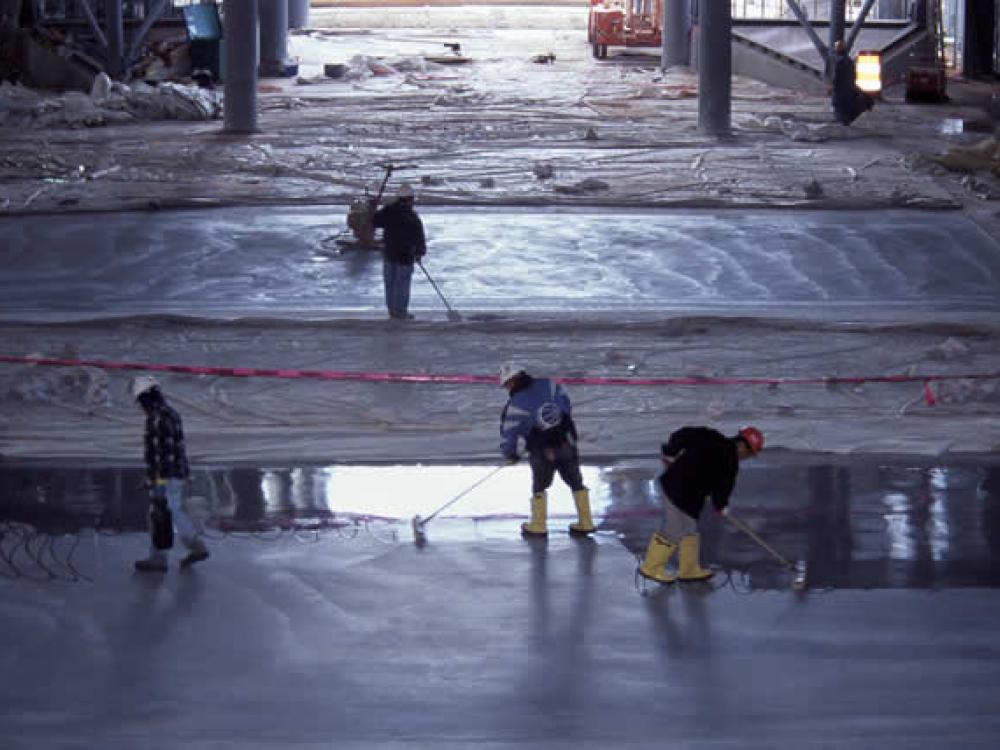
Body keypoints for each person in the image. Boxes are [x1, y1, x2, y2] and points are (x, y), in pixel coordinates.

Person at [638, 425, 764, 584]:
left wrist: (670, 451)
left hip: (687, 494)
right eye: (750, 453)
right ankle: (650, 567)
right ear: (742, 446)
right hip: (677, 491)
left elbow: (680, 434)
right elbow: (722, 488)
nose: (748, 457)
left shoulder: (710, 436)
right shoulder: (728, 460)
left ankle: (688, 570)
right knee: (674, 529)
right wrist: (721, 506)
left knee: (689, 530)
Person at [499, 363, 596, 538]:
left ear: (512, 380)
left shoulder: (516, 402)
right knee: (575, 480)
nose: (507, 388)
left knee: (540, 484)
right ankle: (586, 521)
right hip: (567, 441)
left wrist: (510, 453)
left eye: (506, 384)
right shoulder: (550, 384)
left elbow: (509, 431)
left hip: (542, 449)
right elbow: (566, 405)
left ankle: (538, 525)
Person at [131, 375, 209, 572]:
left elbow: (159, 453)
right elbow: (177, 448)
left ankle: (160, 558)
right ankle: (193, 547)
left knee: (160, 515)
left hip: (164, 475)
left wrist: (154, 479)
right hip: (176, 473)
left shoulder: (155, 418)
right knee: (172, 511)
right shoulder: (172, 413)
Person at [372, 183, 426, 320]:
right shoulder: (411, 215)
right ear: (409, 198)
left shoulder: (388, 210)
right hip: (405, 255)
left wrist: (374, 209)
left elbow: (375, 221)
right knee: (402, 284)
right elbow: (419, 236)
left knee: (390, 283)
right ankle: (400, 311)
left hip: (389, 253)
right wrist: (420, 252)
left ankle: (392, 310)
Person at [831, 40, 874, 126]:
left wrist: (833, 86)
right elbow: (853, 75)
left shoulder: (839, 62)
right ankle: (846, 119)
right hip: (848, 87)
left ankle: (844, 120)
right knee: (846, 105)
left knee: (840, 107)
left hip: (842, 89)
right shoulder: (849, 60)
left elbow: (837, 77)